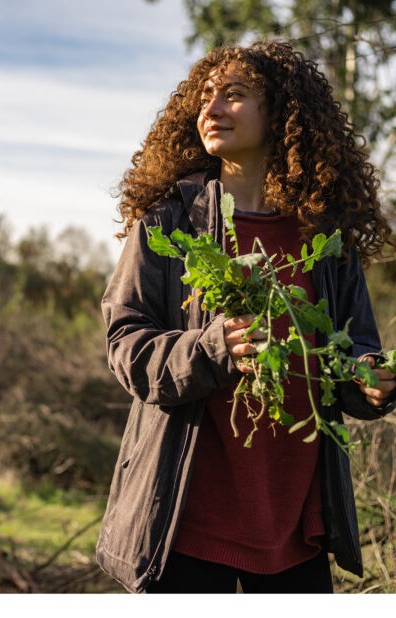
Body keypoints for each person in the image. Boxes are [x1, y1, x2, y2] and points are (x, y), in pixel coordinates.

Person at [97, 40, 396, 594]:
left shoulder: (323, 237)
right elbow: (125, 343)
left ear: (282, 113)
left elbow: (354, 348)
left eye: (234, 96)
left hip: (293, 526)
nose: (210, 109)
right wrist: (211, 349)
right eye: (206, 97)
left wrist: (368, 379)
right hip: (185, 522)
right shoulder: (170, 222)